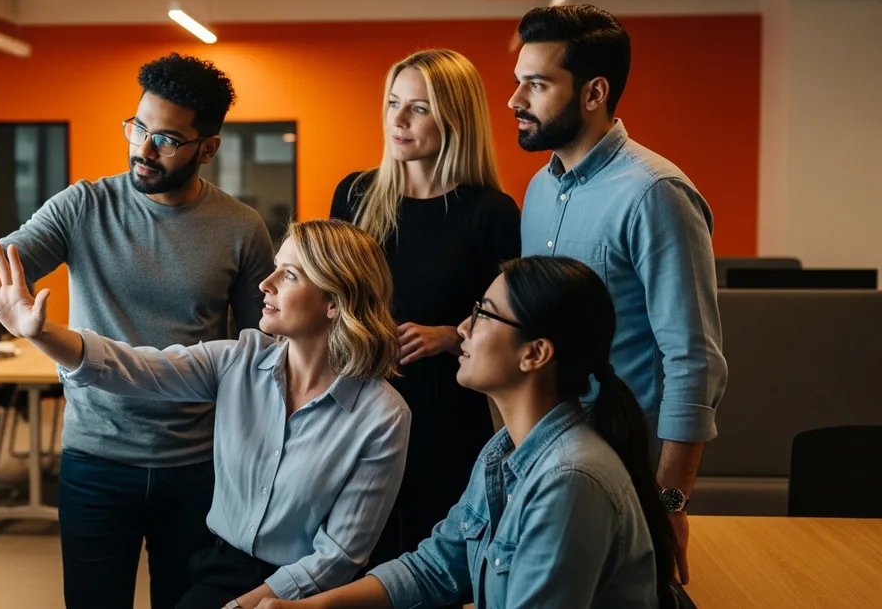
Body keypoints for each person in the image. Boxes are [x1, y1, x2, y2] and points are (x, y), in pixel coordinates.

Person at [0, 53, 277, 609]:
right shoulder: (84, 206)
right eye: (138, 127)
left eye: (167, 139)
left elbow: (260, 351)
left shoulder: (241, 228)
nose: (143, 150)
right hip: (95, 462)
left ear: (208, 147)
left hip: (197, 465)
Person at [0, 219, 412, 609]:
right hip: (219, 568)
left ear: (334, 302)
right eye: (276, 266)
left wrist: (255, 603)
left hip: (314, 592)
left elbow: (340, 554)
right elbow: (135, 368)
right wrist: (41, 333)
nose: (266, 283)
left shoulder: (382, 415)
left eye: (290, 274)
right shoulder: (237, 360)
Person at [256, 256, 678, 609]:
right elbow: (436, 566)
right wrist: (306, 607)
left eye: (483, 314)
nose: (462, 329)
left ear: (534, 354)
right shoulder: (503, 450)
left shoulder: (570, 480)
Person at [508, 4, 728, 583]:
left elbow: (693, 361)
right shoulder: (536, 190)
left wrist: (670, 502)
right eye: (518, 82)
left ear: (593, 92)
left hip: (625, 474)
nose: (515, 100)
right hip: (545, 460)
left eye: (536, 83)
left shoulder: (654, 193)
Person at [329, 48, 521, 595]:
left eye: (419, 108)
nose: (398, 119)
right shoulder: (356, 194)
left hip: (443, 414)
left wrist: (450, 333)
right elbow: (332, 294)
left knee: (431, 572)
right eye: (393, 103)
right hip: (358, 403)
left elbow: (515, 319)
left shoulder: (490, 211)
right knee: (355, 565)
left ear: (454, 118)